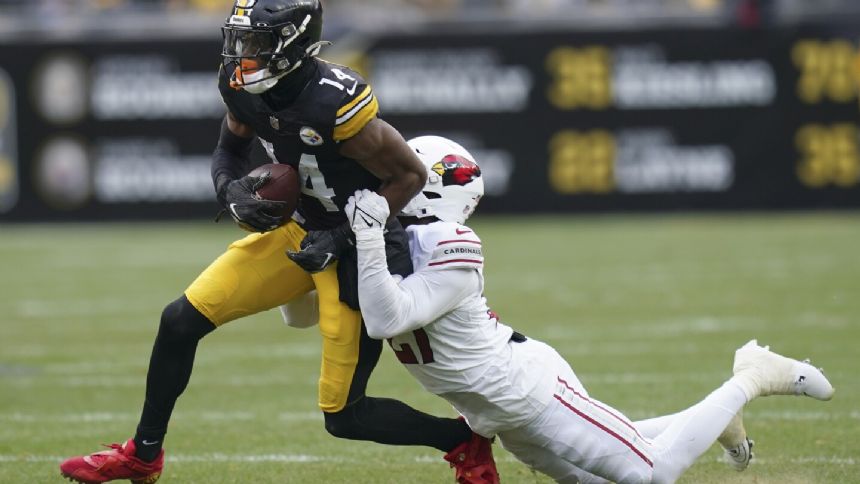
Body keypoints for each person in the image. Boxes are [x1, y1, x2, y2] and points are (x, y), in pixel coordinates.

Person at [59, 2, 498, 483]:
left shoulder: (333, 100)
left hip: (360, 249)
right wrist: (229, 191)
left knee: (344, 416)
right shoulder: (243, 87)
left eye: (256, 44)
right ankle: (143, 456)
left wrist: (341, 236)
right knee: (180, 320)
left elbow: (409, 175)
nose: (242, 55)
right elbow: (229, 149)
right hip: (299, 229)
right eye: (239, 40)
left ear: (293, 45)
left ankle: (462, 441)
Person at [338, 135, 836, 483]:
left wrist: (365, 232)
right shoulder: (398, 237)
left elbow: (385, 319)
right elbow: (308, 313)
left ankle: (752, 376)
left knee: (650, 472)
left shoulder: (447, 240)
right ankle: (715, 422)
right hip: (496, 408)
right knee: (607, 466)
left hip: (528, 390)